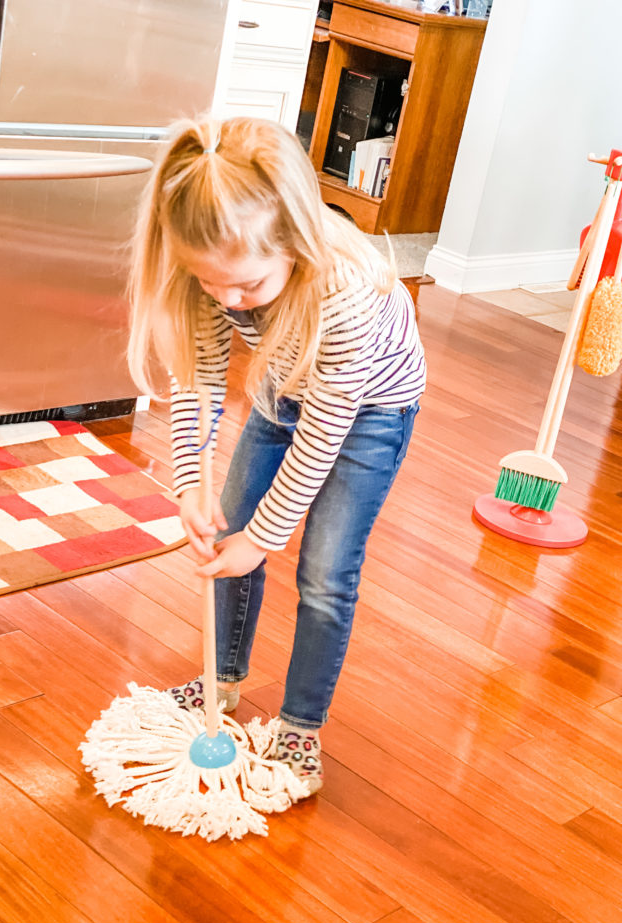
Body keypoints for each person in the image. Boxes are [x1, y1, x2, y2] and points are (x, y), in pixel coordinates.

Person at [128, 115, 425, 795]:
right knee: (223, 533)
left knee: (323, 570)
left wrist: (263, 539)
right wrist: (188, 484)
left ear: (292, 245)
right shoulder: (212, 261)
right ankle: (223, 680)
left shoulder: (345, 289)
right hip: (283, 385)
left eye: (248, 288)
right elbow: (197, 375)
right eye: (211, 284)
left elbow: (324, 432)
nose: (229, 299)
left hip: (369, 411)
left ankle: (300, 727)